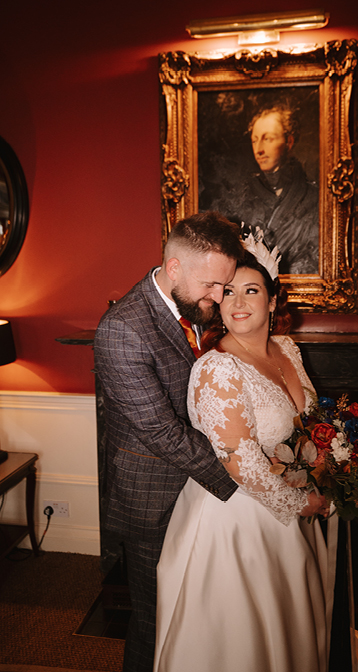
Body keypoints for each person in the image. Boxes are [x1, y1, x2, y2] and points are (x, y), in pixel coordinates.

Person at [154, 236, 334, 671]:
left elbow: (309, 425)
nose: (236, 302)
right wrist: (302, 502)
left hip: (291, 510)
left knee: (288, 630)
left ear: (273, 302)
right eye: (227, 292)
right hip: (236, 521)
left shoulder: (288, 350)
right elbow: (241, 462)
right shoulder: (216, 367)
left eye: (251, 291)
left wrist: (329, 465)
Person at [94, 212, 245, 672]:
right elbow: (161, 431)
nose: (219, 297)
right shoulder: (122, 329)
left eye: (226, 286)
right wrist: (243, 477)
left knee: (194, 614)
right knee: (156, 616)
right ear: (174, 267)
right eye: (212, 285)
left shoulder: (192, 304)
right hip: (150, 496)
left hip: (196, 489)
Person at [216, 103, 319, 275]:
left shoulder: (313, 197)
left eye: (268, 139)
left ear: (289, 142)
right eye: (254, 140)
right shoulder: (239, 196)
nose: (259, 150)